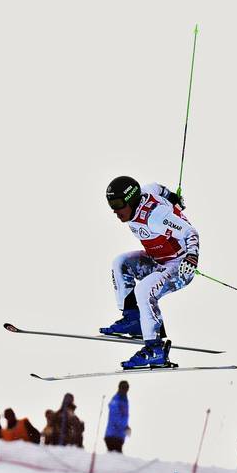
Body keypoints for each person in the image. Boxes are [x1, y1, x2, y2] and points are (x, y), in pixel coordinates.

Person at [100, 176, 199, 368]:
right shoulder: (145, 191)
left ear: (131, 199)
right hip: (157, 260)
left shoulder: (156, 216)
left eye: (118, 204)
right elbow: (158, 188)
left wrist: (192, 257)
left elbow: (191, 233)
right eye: (111, 204)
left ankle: (155, 349)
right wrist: (173, 197)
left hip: (179, 266)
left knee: (144, 291)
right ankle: (134, 319)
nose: (115, 210)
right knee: (120, 263)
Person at [105, 380, 130, 452]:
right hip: (113, 435)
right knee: (115, 459)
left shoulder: (124, 400)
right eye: (123, 387)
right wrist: (124, 427)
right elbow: (115, 417)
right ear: (119, 388)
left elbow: (123, 417)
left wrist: (126, 426)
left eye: (126, 388)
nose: (125, 390)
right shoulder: (116, 400)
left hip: (119, 436)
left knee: (116, 459)